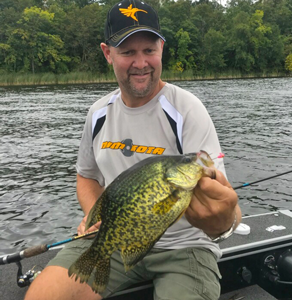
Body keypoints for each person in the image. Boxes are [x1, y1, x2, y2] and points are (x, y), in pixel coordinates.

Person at [25, 0, 241, 299]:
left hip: (184, 247)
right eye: (128, 52)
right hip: (113, 238)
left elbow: (228, 213)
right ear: (107, 54)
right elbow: (86, 177)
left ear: (161, 48)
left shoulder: (187, 109)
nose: (141, 63)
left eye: (149, 50)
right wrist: (93, 217)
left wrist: (225, 220)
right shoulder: (98, 113)